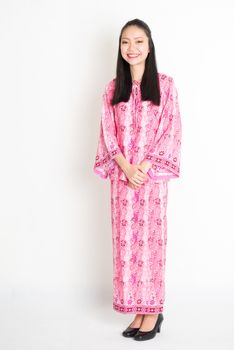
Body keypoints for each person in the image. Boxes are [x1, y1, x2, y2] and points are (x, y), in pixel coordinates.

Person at [93, 18, 182, 341]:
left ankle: (153, 311)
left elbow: (170, 130)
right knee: (127, 244)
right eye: (126, 42)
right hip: (123, 179)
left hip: (151, 180)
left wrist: (143, 166)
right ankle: (138, 309)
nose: (132, 48)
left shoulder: (165, 85)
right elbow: (107, 132)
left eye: (138, 41)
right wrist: (125, 167)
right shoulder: (111, 89)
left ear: (149, 45)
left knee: (151, 245)